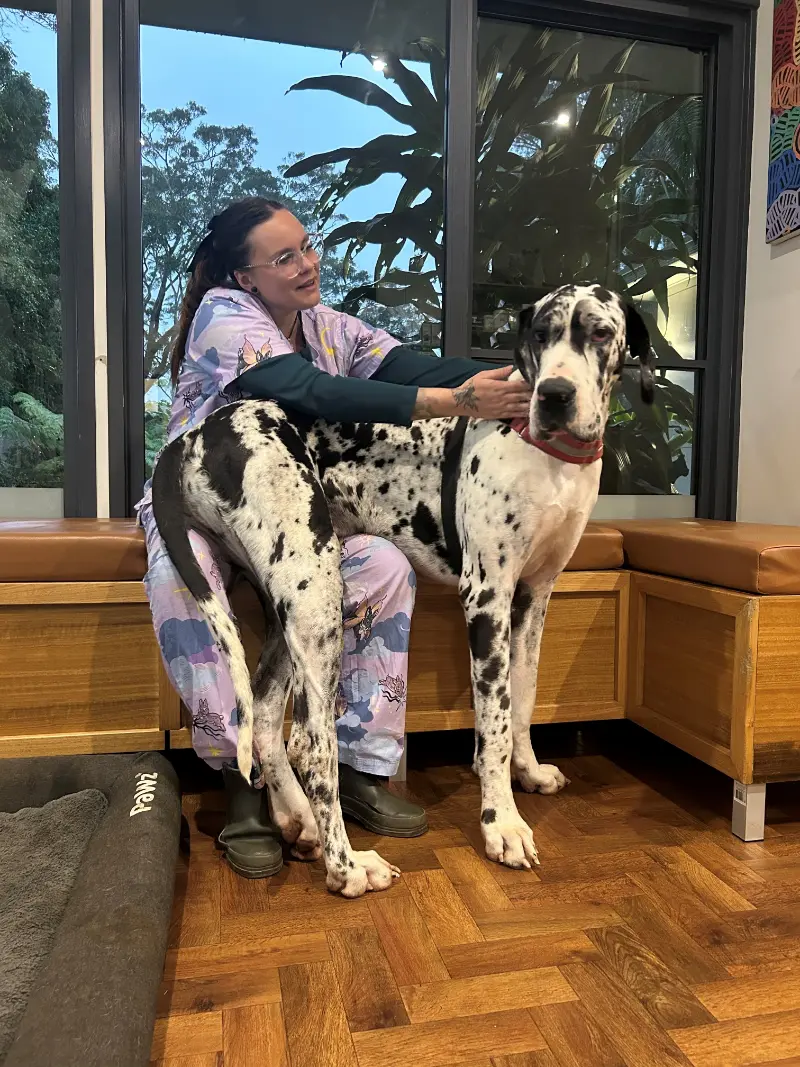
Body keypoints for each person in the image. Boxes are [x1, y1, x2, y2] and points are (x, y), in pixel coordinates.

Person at [138, 196, 533, 878]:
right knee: (182, 582)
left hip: (300, 514)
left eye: (307, 246)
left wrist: (509, 375)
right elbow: (310, 390)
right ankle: (249, 785)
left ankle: (356, 767)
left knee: (383, 564)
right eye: (284, 256)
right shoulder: (222, 317)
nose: (306, 263)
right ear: (245, 277)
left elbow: (407, 364)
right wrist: (456, 404)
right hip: (203, 505)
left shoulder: (326, 324)